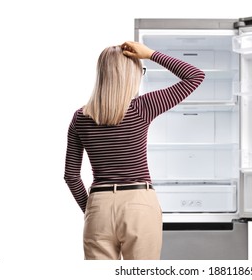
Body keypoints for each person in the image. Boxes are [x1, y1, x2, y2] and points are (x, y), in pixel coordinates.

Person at [64, 41, 205, 260]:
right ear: (132, 73)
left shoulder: (80, 117)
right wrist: (150, 54)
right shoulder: (143, 107)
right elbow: (195, 76)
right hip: (139, 203)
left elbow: (71, 176)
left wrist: (92, 211)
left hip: (98, 206)